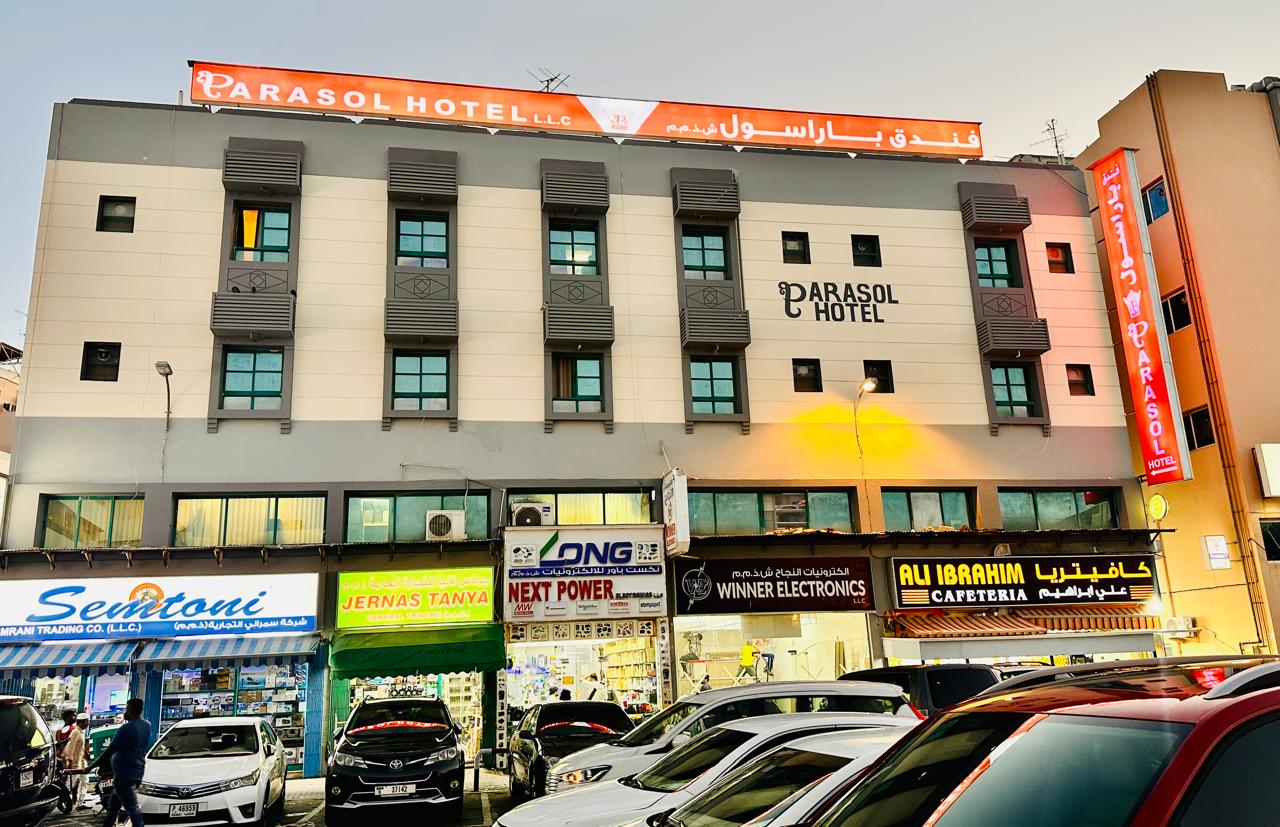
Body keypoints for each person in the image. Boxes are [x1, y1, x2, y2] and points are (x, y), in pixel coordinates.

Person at [83, 697, 150, 827]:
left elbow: (110, 750)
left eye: (126, 708)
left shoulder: (126, 728)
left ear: (130, 710)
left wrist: (90, 767)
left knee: (132, 807)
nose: (125, 711)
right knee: (113, 806)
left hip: (125, 774)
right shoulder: (146, 725)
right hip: (135, 771)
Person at [58, 710, 88, 808]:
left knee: (84, 782)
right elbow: (70, 748)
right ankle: (60, 801)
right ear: (80, 722)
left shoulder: (79, 732)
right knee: (70, 785)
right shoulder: (75, 732)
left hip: (81, 763)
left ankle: (79, 803)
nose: (87, 724)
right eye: (86, 721)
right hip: (75, 764)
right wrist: (69, 761)